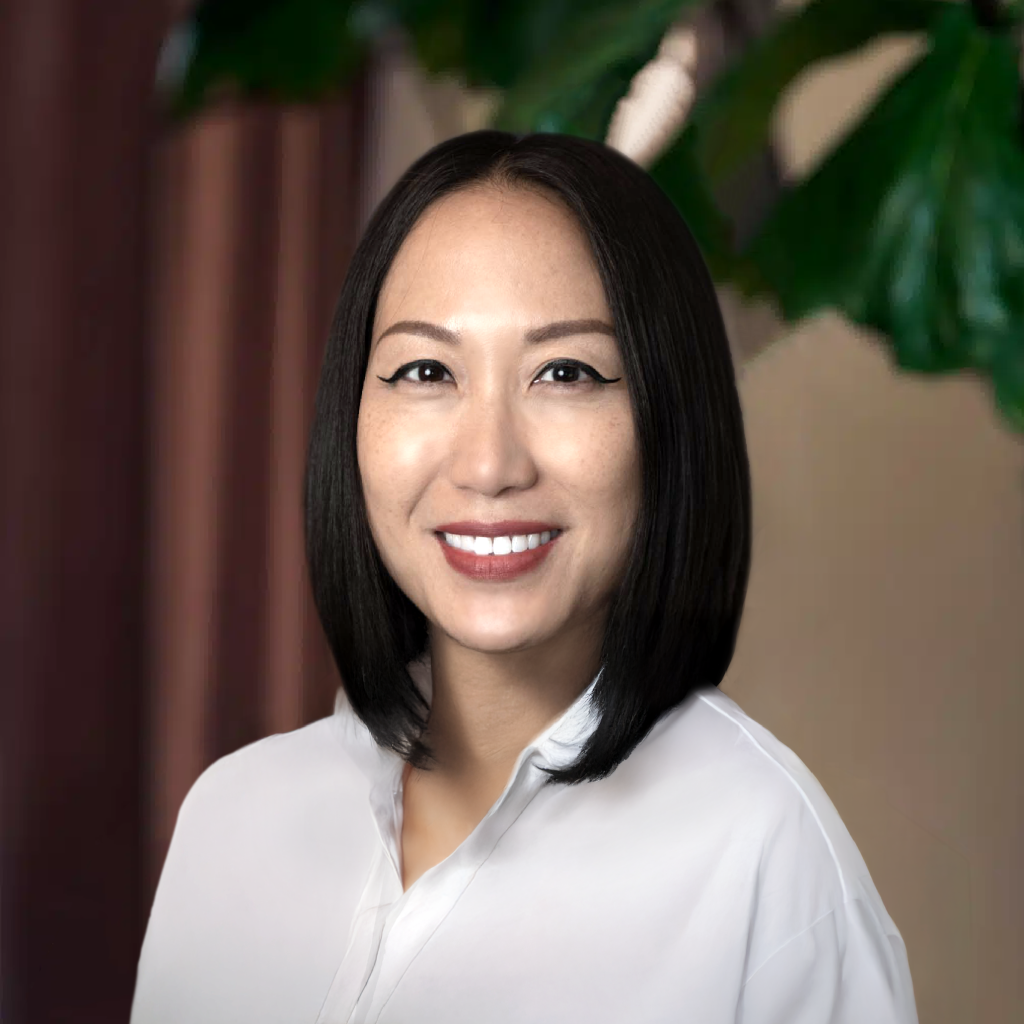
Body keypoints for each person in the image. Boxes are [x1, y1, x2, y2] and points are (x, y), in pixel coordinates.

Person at [130, 130, 919, 1023]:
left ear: (669, 423)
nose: (489, 463)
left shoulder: (766, 861)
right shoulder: (233, 820)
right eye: (426, 371)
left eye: (566, 372)